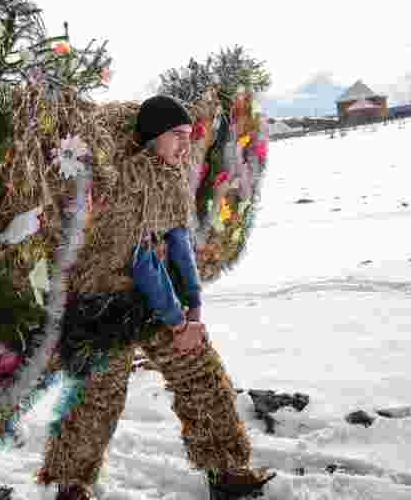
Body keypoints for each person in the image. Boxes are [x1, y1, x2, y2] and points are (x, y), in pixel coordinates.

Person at [37, 95, 275, 500]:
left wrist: (194, 310)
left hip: (157, 302)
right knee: (99, 398)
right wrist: (178, 322)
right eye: (176, 136)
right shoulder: (131, 183)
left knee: (201, 373)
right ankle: (72, 486)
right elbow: (141, 260)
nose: (185, 145)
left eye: (187, 135)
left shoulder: (173, 178)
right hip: (106, 304)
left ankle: (227, 472)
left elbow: (180, 247)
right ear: (152, 138)